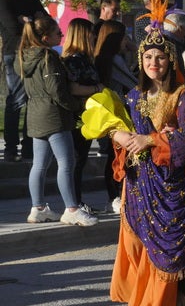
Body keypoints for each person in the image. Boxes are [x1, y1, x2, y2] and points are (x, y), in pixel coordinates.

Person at [108, 0, 185, 306]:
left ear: (170, 60)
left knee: (165, 244)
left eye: (160, 57)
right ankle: (143, 298)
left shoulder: (182, 95)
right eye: (148, 58)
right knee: (141, 241)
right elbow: (121, 130)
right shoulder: (134, 95)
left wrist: (154, 138)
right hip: (139, 181)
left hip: (170, 182)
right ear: (140, 62)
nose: (154, 63)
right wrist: (119, 136)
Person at [18, 15, 100, 226]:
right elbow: (57, 90)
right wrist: (76, 107)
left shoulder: (26, 55)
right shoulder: (48, 57)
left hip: (35, 114)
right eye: (58, 33)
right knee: (66, 162)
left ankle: (37, 208)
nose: (61, 36)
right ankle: (71, 208)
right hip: (53, 115)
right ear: (45, 37)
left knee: (39, 164)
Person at [0, 0, 46, 162]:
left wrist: (28, 21)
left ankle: (29, 146)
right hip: (15, 54)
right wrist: (30, 21)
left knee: (34, 99)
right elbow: (11, 26)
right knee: (17, 100)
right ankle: (11, 148)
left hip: (34, 53)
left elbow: (46, 21)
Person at [60, 18, 103, 209]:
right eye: (91, 32)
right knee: (76, 160)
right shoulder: (74, 60)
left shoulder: (85, 59)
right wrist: (97, 88)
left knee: (81, 160)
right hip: (77, 118)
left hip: (88, 117)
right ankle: (74, 203)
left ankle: (77, 200)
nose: (94, 36)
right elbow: (74, 88)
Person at [94, 20, 136, 214]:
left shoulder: (105, 57)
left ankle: (116, 195)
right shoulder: (113, 60)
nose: (126, 40)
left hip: (111, 112)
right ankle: (115, 196)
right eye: (124, 36)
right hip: (117, 113)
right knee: (115, 156)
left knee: (115, 155)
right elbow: (132, 81)